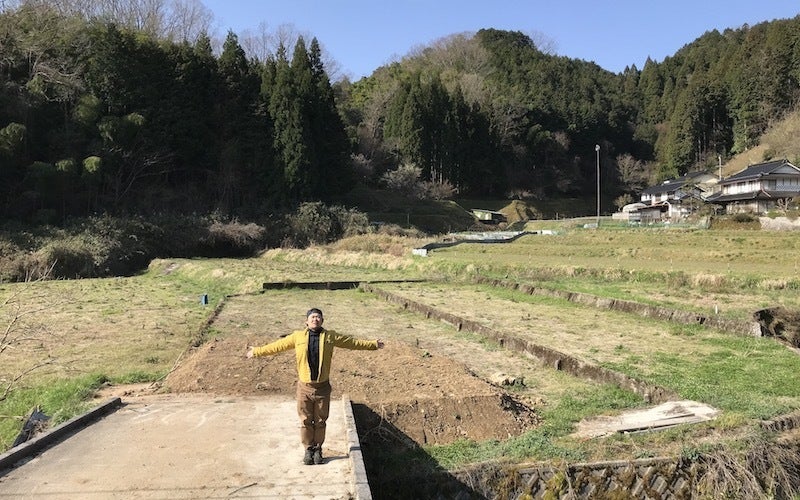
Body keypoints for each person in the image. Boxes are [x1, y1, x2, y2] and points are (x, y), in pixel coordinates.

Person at [246, 307, 385, 465]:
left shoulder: (330, 336)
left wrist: (373, 344)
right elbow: (278, 346)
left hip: (322, 388)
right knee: (305, 420)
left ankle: (318, 448)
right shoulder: (297, 336)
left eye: (318, 317)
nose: (315, 319)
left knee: (320, 421)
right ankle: (308, 449)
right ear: (306, 321)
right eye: (312, 317)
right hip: (304, 387)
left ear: (322, 320)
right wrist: (257, 351)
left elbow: (352, 343)